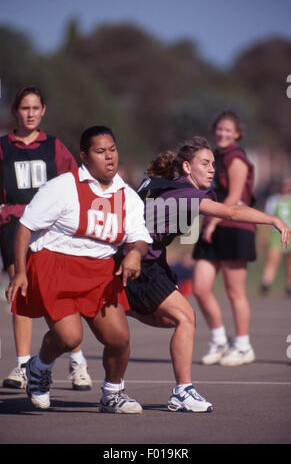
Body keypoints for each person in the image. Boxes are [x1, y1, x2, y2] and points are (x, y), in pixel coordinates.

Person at [121, 137, 290, 413]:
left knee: (170, 320)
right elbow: (232, 212)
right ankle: (182, 391)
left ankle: (113, 309)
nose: (212, 169)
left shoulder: (159, 183)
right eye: (205, 163)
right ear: (187, 167)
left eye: (213, 163)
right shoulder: (187, 194)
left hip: (142, 258)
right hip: (141, 262)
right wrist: (272, 219)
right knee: (185, 317)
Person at [6, 125, 152, 413]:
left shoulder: (127, 195)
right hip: (56, 267)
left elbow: (139, 238)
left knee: (119, 339)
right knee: (69, 338)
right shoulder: (62, 187)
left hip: (99, 273)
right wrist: (21, 272)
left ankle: (112, 394)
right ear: (85, 156)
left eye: (112, 149)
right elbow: (25, 228)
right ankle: (39, 368)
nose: (109, 157)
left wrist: (134, 254)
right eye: (100, 152)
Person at [1, 86, 92, 391]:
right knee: (21, 292)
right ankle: (24, 364)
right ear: (16, 111)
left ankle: (78, 361)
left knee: (59, 293)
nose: (29, 113)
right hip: (13, 225)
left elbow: (76, 182)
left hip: (50, 228)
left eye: (35, 108)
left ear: (43, 111)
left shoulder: (53, 146)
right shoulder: (3, 147)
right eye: (24, 108)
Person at [192, 110, 258, 366]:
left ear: (238, 133)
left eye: (228, 130)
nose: (223, 133)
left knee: (235, 293)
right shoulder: (215, 157)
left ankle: (243, 345)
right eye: (219, 129)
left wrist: (212, 224)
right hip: (214, 226)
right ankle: (220, 339)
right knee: (200, 288)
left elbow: (233, 198)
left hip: (235, 227)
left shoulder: (236, 158)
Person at [260, 178, 291, 296]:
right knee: (273, 259)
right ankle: (266, 283)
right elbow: (267, 218)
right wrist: (264, 235)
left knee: (289, 261)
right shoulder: (273, 200)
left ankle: (289, 286)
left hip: (290, 233)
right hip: (276, 234)